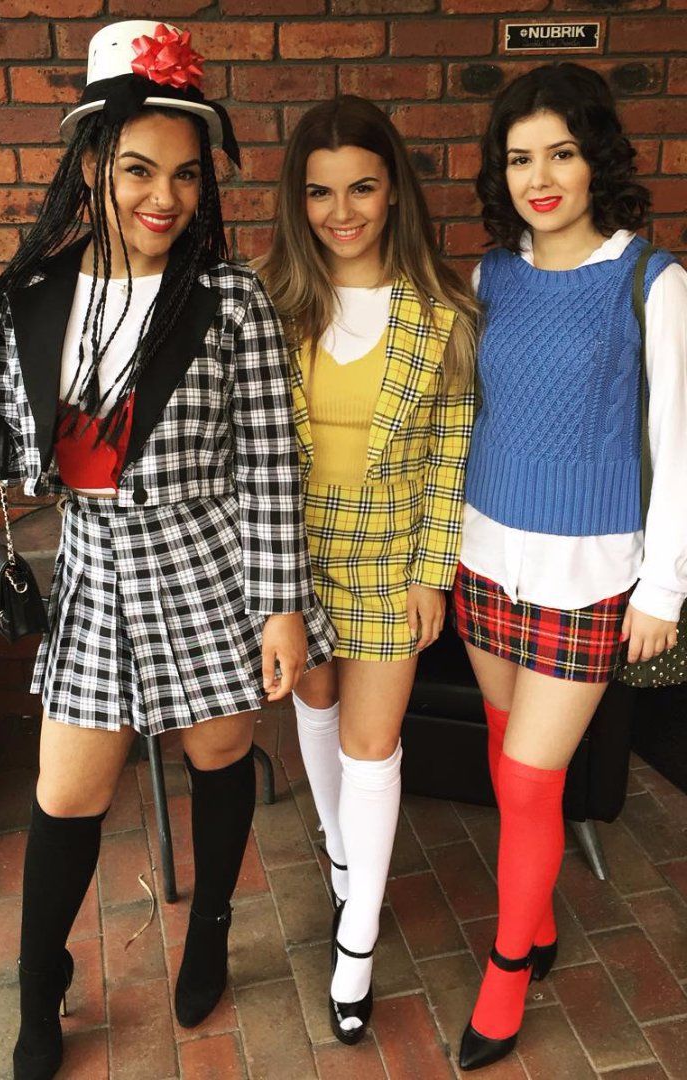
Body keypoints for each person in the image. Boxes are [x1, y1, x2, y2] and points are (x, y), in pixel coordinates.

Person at [0, 21, 335, 1080]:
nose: (162, 197)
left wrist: (282, 607)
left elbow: (270, 461)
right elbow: (4, 451)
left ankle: (212, 926)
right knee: (66, 792)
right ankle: (42, 997)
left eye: (183, 174)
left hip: (209, 566)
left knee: (219, 754)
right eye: (137, 169)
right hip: (93, 575)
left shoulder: (229, 304)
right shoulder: (36, 302)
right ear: (92, 162)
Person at [453, 62, 687, 1070]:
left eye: (561, 153)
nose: (539, 177)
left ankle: (508, 972)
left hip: (591, 579)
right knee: (515, 775)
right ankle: (536, 920)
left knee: (532, 779)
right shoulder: (487, 277)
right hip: (484, 563)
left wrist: (665, 589)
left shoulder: (654, 281)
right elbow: (471, 420)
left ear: (598, 158)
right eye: (518, 158)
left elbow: (679, 442)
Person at [258, 95, 477, 1045]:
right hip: (296, 554)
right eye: (319, 192)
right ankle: (347, 861)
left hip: (393, 560)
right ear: (296, 199)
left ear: (394, 192)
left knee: (370, 744)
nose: (340, 211)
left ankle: (356, 946)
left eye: (361, 188)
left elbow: (450, 457)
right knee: (311, 709)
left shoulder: (443, 313)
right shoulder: (269, 299)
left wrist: (435, 568)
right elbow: (252, 450)